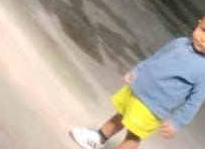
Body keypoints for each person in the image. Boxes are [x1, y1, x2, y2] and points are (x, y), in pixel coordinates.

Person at [70, 16, 205, 146]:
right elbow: (156, 57)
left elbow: (194, 102)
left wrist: (178, 122)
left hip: (153, 107)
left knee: (133, 135)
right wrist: (137, 70)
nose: (203, 38)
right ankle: (97, 138)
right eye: (203, 30)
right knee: (120, 116)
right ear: (199, 23)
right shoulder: (179, 43)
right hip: (138, 88)